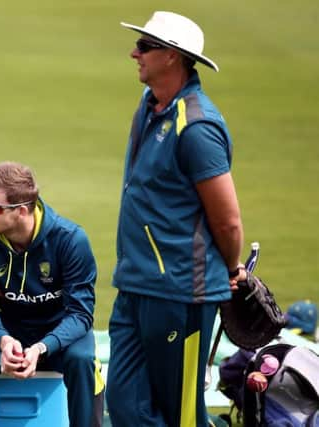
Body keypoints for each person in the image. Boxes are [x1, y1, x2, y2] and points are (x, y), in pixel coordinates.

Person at [105, 11, 247, 427]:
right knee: (126, 404)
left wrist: (233, 268)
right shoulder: (149, 108)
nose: (135, 52)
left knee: (181, 415)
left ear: (173, 57)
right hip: (135, 283)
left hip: (180, 294)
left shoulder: (198, 128)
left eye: (145, 46)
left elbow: (228, 222)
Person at [0, 161, 105, 427]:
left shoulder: (70, 240)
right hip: (4, 329)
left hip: (58, 332)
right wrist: (3, 340)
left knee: (82, 359)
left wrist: (41, 347)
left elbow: (81, 315)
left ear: (22, 210)